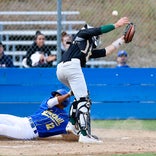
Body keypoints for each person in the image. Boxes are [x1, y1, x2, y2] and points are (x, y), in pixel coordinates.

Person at [56, 17, 130, 143]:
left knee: (80, 98)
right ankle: (84, 135)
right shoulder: (82, 34)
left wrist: (121, 40)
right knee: (84, 100)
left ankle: (72, 125)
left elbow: (106, 51)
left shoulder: (85, 48)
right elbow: (98, 30)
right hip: (72, 67)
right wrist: (116, 25)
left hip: (61, 70)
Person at [0, 89, 73, 140]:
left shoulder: (65, 119)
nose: (55, 97)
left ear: (64, 101)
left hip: (28, 132)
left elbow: (71, 130)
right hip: (23, 120)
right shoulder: (49, 103)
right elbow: (52, 102)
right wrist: (69, 94)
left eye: (58, 96)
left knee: (1, 128)